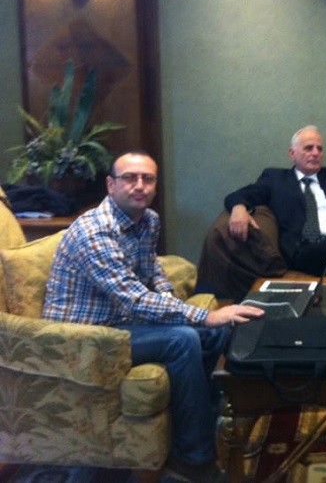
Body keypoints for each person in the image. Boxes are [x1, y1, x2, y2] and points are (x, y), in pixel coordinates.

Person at [42, 150, 264, 483]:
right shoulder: (95, 232)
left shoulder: (148, 220)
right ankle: (193, 461)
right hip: (84, 335)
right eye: (129, 178)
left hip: (120, 321)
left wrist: (179, 308)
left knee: (215, 333)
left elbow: (153, 273)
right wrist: (203, 316)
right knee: (183, 338)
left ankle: (201, 422)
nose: (140, 186)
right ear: (111, 185)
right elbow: (134, 297)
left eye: (148, 179)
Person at [225, 125, 326, 278]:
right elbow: (242, 194)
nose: (316, 153)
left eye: (319, 149)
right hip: (304, 250)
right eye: (308, 148)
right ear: (292, 153)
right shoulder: (276, 179)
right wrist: (238, 208)